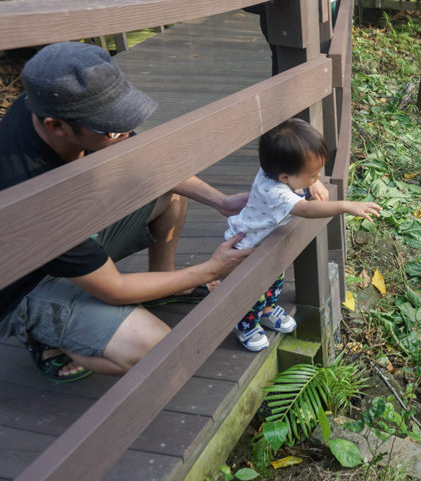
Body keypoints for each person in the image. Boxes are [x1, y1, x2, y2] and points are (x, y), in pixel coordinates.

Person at [0, 42, 253, 379]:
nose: (122, 133)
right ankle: (47, 337)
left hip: (75, 233)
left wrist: (219, 200)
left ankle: (166, 280)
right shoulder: (31, 193)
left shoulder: (51, 99)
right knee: (153, 349)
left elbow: (145, 159)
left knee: (166, 187)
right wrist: (210, 270)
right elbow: (113, 288)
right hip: (25, 283)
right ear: (56, 126)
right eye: (110, 128)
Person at [225, 118, 382, 351]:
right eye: (313, 175)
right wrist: (346, 205)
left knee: (275, 279)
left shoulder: (275, 168)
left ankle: (267, 312)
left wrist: (311, 184)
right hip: (246, 248)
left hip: (265, 243)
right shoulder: (277, 192)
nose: (318, 177)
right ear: (285, 177)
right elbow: (307, 209)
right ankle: (246, 326)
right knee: (253, 291)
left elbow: (301, 181)